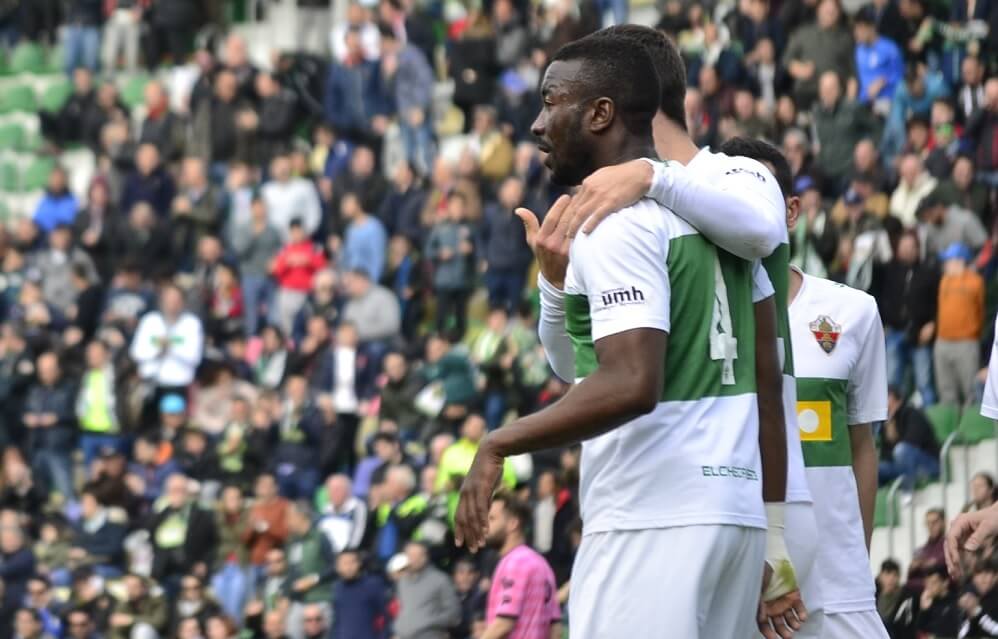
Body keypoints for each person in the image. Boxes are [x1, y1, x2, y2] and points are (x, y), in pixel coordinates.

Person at [456, 31, 787, 639]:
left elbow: (632, 383)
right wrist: (554, 287)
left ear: (601, 112)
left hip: (651, 514)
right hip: (732, 516)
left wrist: (498, 443)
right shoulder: (712, 219)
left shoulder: (620, 220)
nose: (535, 124)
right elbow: (767, 380)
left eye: (551, 101)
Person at [719, 136, 891, 638]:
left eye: (762, 197)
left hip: (839, 584)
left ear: (791, 211)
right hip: (744, 581)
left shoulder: (853, 311)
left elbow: (862, 445)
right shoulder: (700, 318)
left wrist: (854, 557)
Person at [482, 493, 561, 639]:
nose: (485, 525)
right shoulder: (543, 564)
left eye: (492, 518)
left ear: (513, 523)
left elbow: (504, 622)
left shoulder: (515, 563)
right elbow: (555, 626)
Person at [130, 283, 204, 414]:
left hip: (177, 385)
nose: (172, 305)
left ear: (183, 303)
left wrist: (170, 347)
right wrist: (157, 350)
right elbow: (137, 353)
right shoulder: (150, 321)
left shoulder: (191, 323)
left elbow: (194, 357)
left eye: (176, 301)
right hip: (150, 384)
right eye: (169, 300)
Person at [934, 243, 984, 407]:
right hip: (943, 341)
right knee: (945, 390)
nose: (946, 264)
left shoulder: (975, 281)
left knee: (971, 391)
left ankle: (972, 428)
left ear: (960, 261)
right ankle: (949, 429)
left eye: (949, 260)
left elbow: (979, 309)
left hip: (966, 342)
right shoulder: (944, 280)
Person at [394, 541, 460, 639]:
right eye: (409, 555)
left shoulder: (440, 580)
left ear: (425, 557)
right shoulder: (402, 581)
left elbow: (454, 616)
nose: (412, 559)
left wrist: (427, 622)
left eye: (416, 555)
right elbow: (401, 611)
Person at [879, 387, 940, 492]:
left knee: (901, 450)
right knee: (876, 469)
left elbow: (911, 442)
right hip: (902, 467)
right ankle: (880, 501)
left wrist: (895, 440)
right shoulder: (886, 422)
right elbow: (885, 454)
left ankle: (907, 492)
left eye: (886, 397)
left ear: (896, 399)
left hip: (928, 464)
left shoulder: (912, 413)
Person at [330, 550, 386, 639]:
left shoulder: (373, 584)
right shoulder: (337, 588)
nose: (349, 567)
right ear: (337, 567)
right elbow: (336, 621)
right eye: (344, 563)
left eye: (352, 562)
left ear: (359, 563)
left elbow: (385, 616)